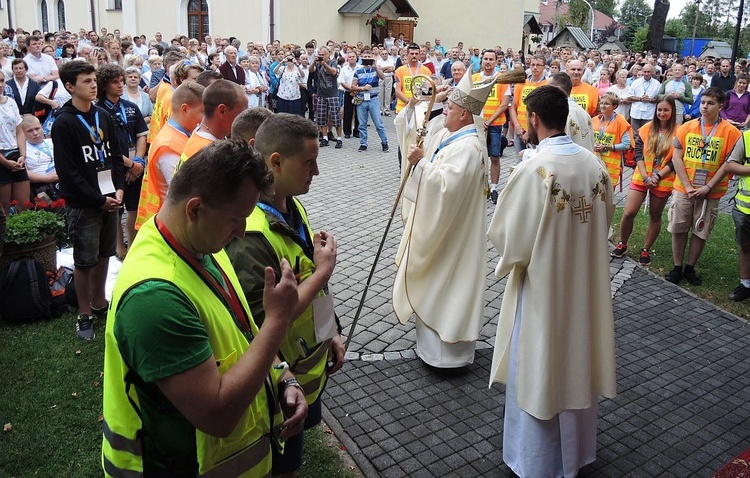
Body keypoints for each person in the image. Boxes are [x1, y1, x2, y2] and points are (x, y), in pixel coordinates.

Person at [101, 139, 307, 477]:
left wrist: (283, 376)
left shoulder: (199, 241)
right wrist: (278, 320)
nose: (242, 231)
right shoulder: (154, 299)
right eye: (237, 218)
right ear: (195, 208)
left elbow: (240, 334)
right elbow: (217, 416)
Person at [487, 85, 617, 478]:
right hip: (585, 284)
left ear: (535, 119)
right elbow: (605, 221)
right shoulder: (594, 165)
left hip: (545, 287)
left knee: (541, 364)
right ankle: (576, 456)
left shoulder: (534, 170)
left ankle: (536, 463)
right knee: (577, 357)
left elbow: (508, 240)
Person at [226, 114, 344, 477]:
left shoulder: (290, 205)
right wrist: (324, 269)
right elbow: (261, 325)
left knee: (293, 453)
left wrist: (330, 331)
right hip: (280, 387)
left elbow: (310, 282)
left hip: (310, 369)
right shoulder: (250, 235)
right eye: (309, 162)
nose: (317, 172)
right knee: (280, 466)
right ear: (275, 161)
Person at [393, 71, 493, 368]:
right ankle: (433, 350)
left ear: (464, 113)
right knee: (441, 284)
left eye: (448, 107)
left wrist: (420, 163)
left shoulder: (467, 148)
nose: (443, 110)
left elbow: (446, 188)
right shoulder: (456, 138)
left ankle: (448, 357)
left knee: (448, 286)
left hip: (451, 234)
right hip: (448, 228)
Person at [52, 60, 125, 340]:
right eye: (86, 81)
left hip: (110, 197)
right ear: (70, 86)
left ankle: (99, 301)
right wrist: (97, 199)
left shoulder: (102, 114)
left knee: (105, 252)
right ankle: (84, 314)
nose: (93, 85)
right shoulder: (64, 122)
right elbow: (68, 172)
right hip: (85, 203)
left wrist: (118, 189)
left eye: (94, 80)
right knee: (84, 258)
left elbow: (116, 155)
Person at [666, 87, 742, 286]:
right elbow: (676, 156)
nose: (705, 107)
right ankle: (677, 267)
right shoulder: (687, 127)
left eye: (710, 103)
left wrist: (708, 187)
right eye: (703, 102)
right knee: (679, 227)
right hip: (684, 189)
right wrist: (687, 185)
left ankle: (690, 268)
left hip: (711, 192)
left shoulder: (731, 132)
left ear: (720, 106)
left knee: (701, 229)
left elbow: (727, 163)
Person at [612, 97, 678, 265]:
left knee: (655, 215)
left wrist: (658, 176)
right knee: (629, 212)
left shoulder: (679, 131)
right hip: (642, 176)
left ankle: (646, 249)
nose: (662, 113)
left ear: (672, 112)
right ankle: (623, 243)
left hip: (663, 179)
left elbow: (676, 160)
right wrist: (646, 176)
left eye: (666, 110)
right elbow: (638, 154)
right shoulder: (646, 129)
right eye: (660, 110)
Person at [136, 81, 204, 230]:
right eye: (202, 112)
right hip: (170, 226)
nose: (204, 119)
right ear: (185, 109)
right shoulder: (169, 145)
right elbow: (183, 193)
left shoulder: (178, 135)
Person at [96, 65, 149, 260]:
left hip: (135, 163)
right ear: (104, 85)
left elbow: (141, 135)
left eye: (121, 81)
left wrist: (138, 161)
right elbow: (105, 145)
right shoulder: (98, 111)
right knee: (116, 210)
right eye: (115, 82)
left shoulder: (130, 106)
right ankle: (119, 247)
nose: (120, 85)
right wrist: (129, 164)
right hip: (112, 166)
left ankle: (133, 244)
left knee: (134, 208)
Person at [177, 79, 248, 167]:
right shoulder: (213, 154)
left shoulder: (198, 134)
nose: (244, 118)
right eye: (241, 113)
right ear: (222, 111)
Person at [473, 49, 509, 204]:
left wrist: (488, 122)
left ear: (496, 61)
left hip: (494, 124)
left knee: (494, 156)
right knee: (476, 157)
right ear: (482, 61)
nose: (487, 62)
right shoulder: (474, 78)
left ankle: (494, 188)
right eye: (485, 58)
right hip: (476, 124)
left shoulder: (502, 79)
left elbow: (504, 104)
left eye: (491, 59)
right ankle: (477, 187)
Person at [725, 129, 750, 301]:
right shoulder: (747, 137)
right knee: (745, 246)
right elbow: (731, 164)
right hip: (744, 208)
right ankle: (745, 284)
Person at [0, 70, 28, 214]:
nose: (0, 85)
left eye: (2, 81)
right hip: (1, 157)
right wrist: (5, 162)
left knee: (23, 204)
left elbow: (19, 130)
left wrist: (22, 155)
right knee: (4, 207)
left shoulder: (10, 102)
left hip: (16, 153)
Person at [592, 92, 633, 189]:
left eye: (606, 104)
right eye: (601, 103)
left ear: (614, 106)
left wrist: (607, 147)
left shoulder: (621, 121)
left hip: (611, 166)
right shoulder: (594, 120)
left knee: (607, 197)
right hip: (594, 163)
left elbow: (626, 145)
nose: (602, 106)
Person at [508, 54, 547, 156]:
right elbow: (513, 106)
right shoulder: (521, 83)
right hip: (520, 129)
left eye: (538, 65)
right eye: (532, 64)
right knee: (519, 161)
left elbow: (544, 112)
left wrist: (529, 132)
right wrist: (516, 126)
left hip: (536, 132)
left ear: (544, 67)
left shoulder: (547, 85)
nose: (535, 67)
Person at [351, 49, 389, 152]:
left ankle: (384, 142)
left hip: (373, 99)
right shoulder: (358, 71)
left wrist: (375, 67)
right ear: (362, 58)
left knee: (378, 123)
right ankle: (363, 143)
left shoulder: (376, 69)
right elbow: (353, 86)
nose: (367, 59)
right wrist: (362, 88)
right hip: (362, 99)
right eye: (365, 57)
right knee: (362, 124)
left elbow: (382, 77)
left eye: (369, 57)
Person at [546, 72, 594, 152]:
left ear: (558, 90)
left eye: (548, 88)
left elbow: (558, 148)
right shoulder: (583, 112)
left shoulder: (561, 114)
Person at [310, 46, 343, 148]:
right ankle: (324, 138)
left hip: (332, 94)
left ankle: (339, 138)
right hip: (321, 94)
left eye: (323, 55)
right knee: (321, 118)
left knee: (336, 118)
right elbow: (310, 70)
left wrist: (324, 64)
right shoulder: (317, 63)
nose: (321, 57)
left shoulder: (333, 62)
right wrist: (313, 62)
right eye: (319, 55)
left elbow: (334, 72)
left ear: (328, 54)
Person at [22, 114, 58, 199]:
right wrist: (48, 179)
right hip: (40, 187)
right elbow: (24, 173)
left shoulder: (54, 141)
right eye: (30, 131)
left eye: (37, 129)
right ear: (23, 133)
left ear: (41, 127)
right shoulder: (23, 149)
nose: (35, 133)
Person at [628, 63, 661, 135]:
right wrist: (640, 99)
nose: (646, 74)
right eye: (645, 71)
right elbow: (630, 97)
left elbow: (659, 98)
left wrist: (649, 100)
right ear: (642, 71)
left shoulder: (657, 84)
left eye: (648, 72)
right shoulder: (636, 82)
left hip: (649, 113)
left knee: (647, 134)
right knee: (635, 134)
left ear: (652, 72)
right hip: (636, 112)